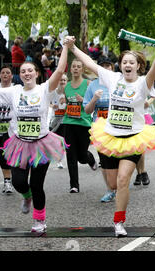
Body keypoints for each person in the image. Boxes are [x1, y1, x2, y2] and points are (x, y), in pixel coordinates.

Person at [66, 36, 155, 237]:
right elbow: (89, 63)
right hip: (109, 136)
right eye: (124, 62)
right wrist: (73, 47)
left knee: (122, 180)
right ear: (121, 65)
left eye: (131, 63)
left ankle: (119, 221)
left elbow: (153, 72)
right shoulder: (113, 78)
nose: (127, 65)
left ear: (138, 66)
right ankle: (117, 204)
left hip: (132, 138)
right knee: (112, 184)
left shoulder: (144, 84)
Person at [0, 38, 69, 233]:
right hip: (19, 145)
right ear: (19, 76)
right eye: (23, 71)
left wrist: (65, 47)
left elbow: (60, 70)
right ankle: (26, 196)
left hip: (41, 144)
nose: (27, 73)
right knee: (19, 182)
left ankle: (39, 221)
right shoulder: (13, 91)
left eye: (30, 70)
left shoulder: (44, 89)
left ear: (37, 73)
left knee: (37, 184)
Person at [82, 57, 116, 202]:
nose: (105, 69)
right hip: (100, 129)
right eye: (102, 66)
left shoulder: (118, 82)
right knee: (104, 160)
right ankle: (109, 190)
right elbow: (87, 110)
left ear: (112, 68)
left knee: (118, 159)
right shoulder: (93, 85)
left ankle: (119, 184)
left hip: (117, 127)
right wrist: (94, 99)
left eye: (108, 66)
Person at [62, 58, 98, 193]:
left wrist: (83, 101)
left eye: (78, 67)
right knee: (70, 155)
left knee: (81, 156)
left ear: (82, 69)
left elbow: (92, 104)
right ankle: (74, 185)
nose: (76, 69)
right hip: (68, 122)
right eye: (74, 66)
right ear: (70, 69)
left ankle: (89, 158)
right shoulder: (66, 86)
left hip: (84, 123)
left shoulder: (88, 84)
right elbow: (66, 103)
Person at [0, 65, 14, 194]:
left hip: (11, 128)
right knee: (1, 155)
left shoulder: (16, 89)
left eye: (7, 72)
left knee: (9, 155)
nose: (5, 74)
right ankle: (7, 182)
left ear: (11, 76)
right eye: (3, 72)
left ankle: (11, 181)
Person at [48, 73, 68, 169]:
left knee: (62, 141)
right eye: (61, 80)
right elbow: (47, 103)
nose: (63, 82)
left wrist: (67, 102)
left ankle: (59, 160)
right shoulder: (53, 92)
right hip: (54, 120)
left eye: (64, 80)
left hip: (65, 121)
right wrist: (52, 106)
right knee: (53, 140)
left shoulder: (68, 93)